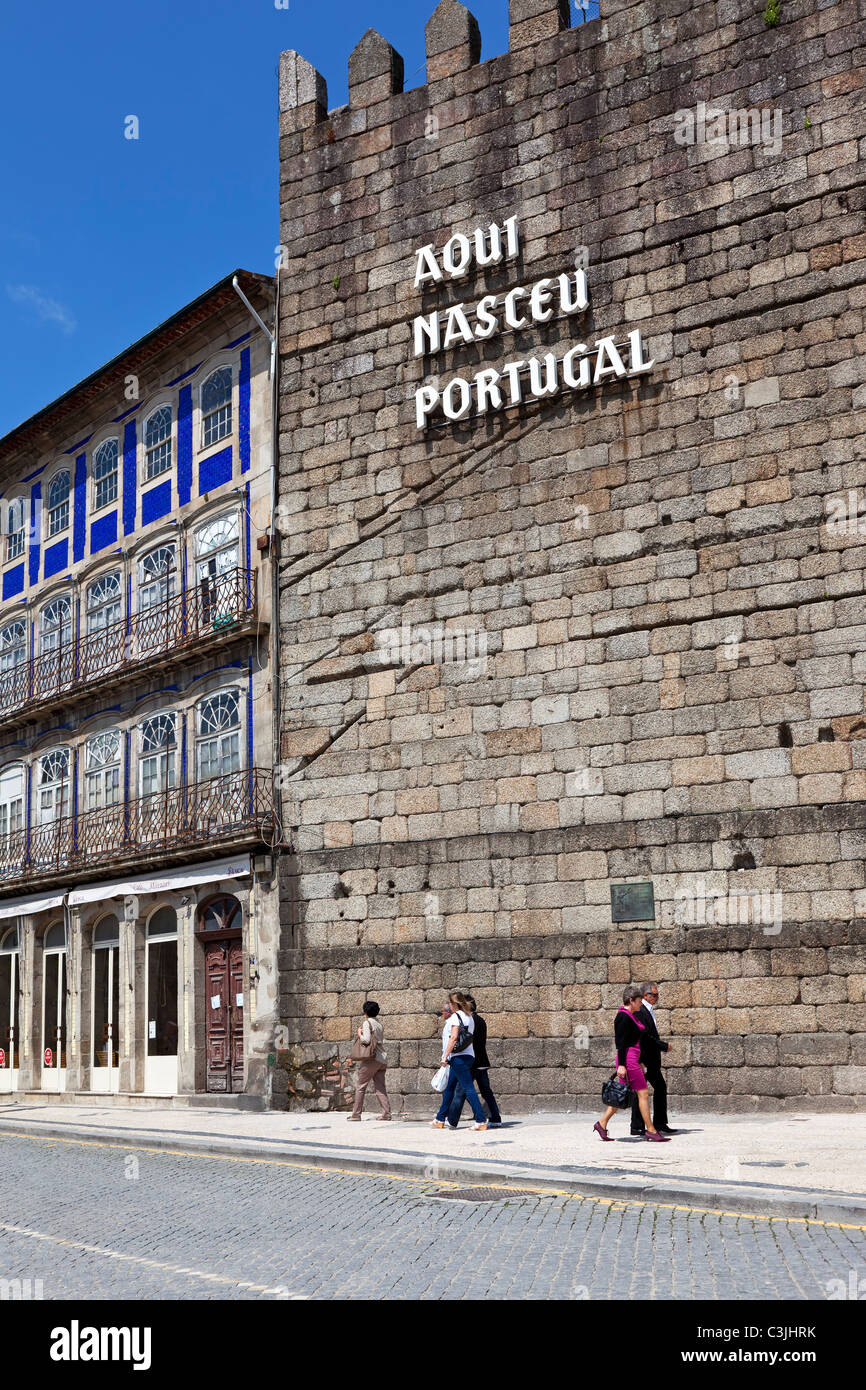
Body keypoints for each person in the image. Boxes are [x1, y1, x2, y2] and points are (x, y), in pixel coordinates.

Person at [593, 986, 670, 1143]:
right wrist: (622, 1065)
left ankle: (601, 1123)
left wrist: (640, 1060)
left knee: (622, 1094)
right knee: (643, 1093)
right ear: (631, 1001)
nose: (641, 1004)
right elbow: (621, 1044)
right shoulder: (622, 1017)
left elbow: (634, 1041)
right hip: (627, 1060)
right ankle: (651, 1130)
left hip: (633, 1060)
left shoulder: (632, 1015)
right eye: (639, 1001)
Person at [431, 991, 488, 1130]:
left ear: (454, 1004)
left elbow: (454, 1037)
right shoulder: (469, 1017)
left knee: (468, 1088)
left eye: (450, 1003)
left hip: (458, 1058)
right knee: (449, 1089)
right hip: (469, 1055)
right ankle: (440, 1118)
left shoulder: (456, 1017)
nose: (449, 1005)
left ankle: (480, 1120)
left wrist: (445, 1056)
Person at [630, 981, 678, 1136]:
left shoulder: (648, 1010)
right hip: (643, 1059)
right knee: (641, 1091)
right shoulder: (640, 1011)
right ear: (646, 995)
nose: (657, 997)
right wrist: (663, 1046)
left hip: (652, 1059)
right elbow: (645, 1037)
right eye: (654, 995)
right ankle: (637, 1126)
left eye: (657, 995)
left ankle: (659, 1123)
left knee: (659, 1088)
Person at [446, 994, 502, 1127]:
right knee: (486, 1092)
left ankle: (452, 1120)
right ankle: (495, 1118)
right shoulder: (481, 1020)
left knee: (460, 1091)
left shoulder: (468, 1020)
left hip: (471, 1062)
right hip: (482, 1061)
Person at [346, 1000, 391, 1120]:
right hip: (382, 1059)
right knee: (380, 1087)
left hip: (372, 1059)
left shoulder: (367, 1023)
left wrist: (359, 1033)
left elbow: (366, 1040)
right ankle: (386, 1113)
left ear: (365, 1012)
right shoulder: (379, 1024)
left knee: (361, 1086)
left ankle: (356, 1114)